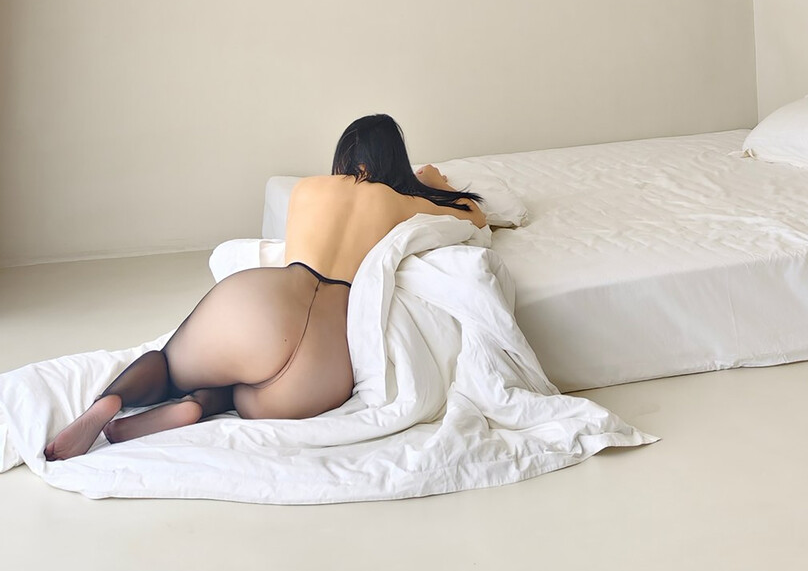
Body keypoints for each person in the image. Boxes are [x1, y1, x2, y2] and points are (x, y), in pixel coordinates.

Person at [44, 115, 485, 461]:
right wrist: (433, 184)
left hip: (268, 301)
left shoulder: (308, 188)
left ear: (348, 156)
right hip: (325, 358)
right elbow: (475, 217)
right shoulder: (403, 203)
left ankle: (110, 403)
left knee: (172, 366)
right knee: (245, 394)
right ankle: (201, 406)